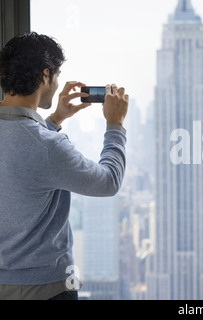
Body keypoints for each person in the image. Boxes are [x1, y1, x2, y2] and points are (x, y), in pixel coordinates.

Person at [0, 32, 129, 300]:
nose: (57, 84)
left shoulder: (40, 142)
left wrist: (54, 120)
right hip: (46, 289)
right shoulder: (47, 147)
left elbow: (20, 157)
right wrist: (115, 125)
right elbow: (108, 182)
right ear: (45, 76)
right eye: (57, 77)